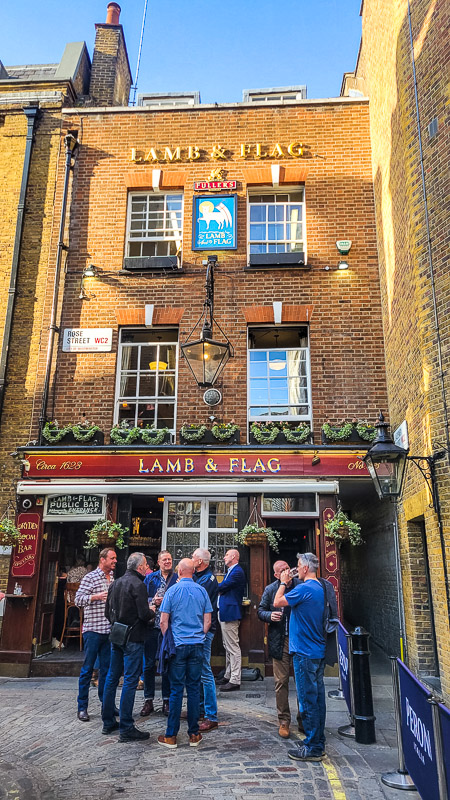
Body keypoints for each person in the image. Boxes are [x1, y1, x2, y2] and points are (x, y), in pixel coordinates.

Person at [274, 552, 330, 762]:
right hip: (316, 650)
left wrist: (283, 582)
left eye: (298, 565)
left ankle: (314, 747)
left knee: (308, 701)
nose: (296, 569)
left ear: (305, 569)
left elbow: (278, 601)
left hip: (304, 652)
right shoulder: (320, 587)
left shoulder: (305, 588)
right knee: (317, 700)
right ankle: (316, 740)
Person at [157, 558, 212, 749]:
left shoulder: (172, 591)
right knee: (195, 688)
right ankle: (194, 734)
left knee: (176, 689)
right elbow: (207, 622)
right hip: (197, 644)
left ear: (179, 572)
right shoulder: (202, 591)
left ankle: (171, 735)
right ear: (192, 572)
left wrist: (170, 639)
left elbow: (164, 622)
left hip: (178, 645)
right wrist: (199, 636)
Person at [102, 552, 155, 742]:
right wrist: (153, 611)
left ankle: (108, 722)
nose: (147, 568)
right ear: (140, 567)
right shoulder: (138, 585)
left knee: (111, 678)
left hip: (116, 634)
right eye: (146, 565)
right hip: (133, 637)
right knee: (131, 681)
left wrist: (118, 623)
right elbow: (143, 614)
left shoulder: (115, 583)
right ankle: (126, 726)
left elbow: (108, 612)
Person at [258, 560, 303, 739]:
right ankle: (284, 720)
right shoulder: (271, 590)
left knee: (301, 681)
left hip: (299, 638)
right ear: (276, 575)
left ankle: (304, 719)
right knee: (281, 681)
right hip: (280, 640)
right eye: (282, 570)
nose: (286, 571)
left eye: (287, 568)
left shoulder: (301, 585)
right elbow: (260, 611)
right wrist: (270, 615)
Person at [75, 548, 117, 721]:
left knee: (107, 671)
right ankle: (82, 707)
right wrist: (95, 597)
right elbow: (77, 599)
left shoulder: (113, 578)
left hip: (108, 630)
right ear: (102, 560)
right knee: (88, 669)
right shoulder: (90, 577)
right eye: (112, 558)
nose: (115, 561)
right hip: (92, 630)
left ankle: (106, 705)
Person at [140, 550, 177, 716]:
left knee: (167, 664)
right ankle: (148, 700)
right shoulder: (150, 578)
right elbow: (141, 599)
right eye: (164, 559)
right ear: (158, 562)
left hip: (169, 628)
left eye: (169, 559)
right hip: (151, 626)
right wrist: (153, 601)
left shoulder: (177, 578)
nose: (167, 562)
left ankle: (166, 701)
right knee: (148, 665)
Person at [192, 547, 219, 732]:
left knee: (205, 672)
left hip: (204, 630)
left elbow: (197, 601)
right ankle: (200, 709)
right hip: (196, 629)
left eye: (193, 557)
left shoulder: (208, 580)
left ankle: (211, 715)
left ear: (200, 562)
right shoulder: (197, 576)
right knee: (199, 671)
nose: (192, 559)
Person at [217, 548, 246, 692]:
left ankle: (235, 679)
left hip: (230, 612)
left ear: (234, 556)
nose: (224, 557)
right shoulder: (231, 571)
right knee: (227, 645)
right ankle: (228, 675)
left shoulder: (237, 572)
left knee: (233, 646)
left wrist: (218, 587)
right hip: (225, 612)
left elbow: (222, 587)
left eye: (227, 555)